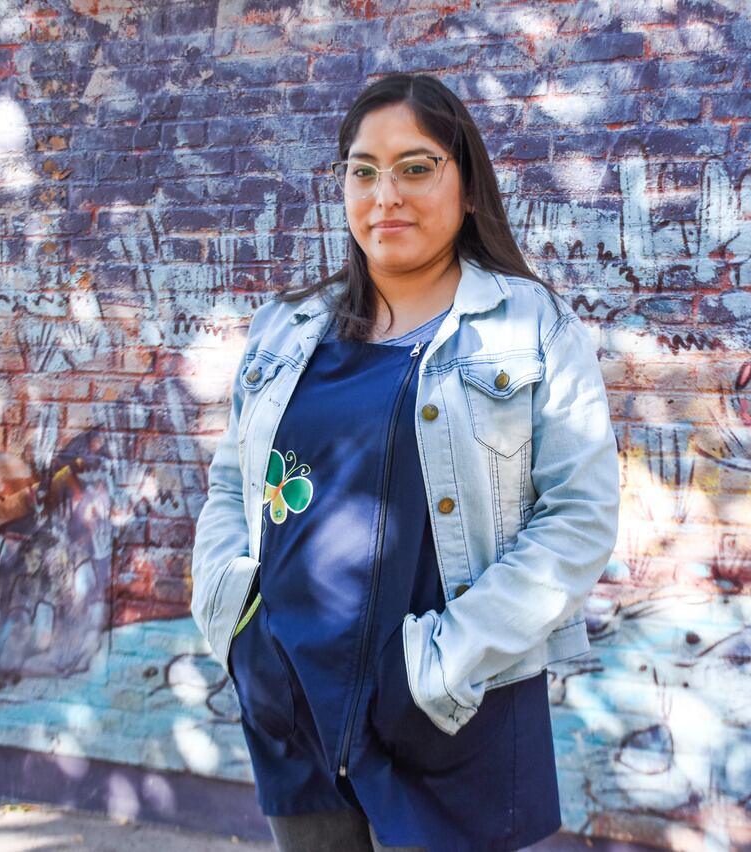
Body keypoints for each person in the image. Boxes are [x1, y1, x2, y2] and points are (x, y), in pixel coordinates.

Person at [189, 73, 620, 852]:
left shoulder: (529, 326)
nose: (385, 193)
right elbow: (231, 485)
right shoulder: (285, 328)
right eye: (363, 170)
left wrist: (449, 657)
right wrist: (236, 622)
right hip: (293, 699)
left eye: (416, 167)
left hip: (455, 701)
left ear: (467, 185)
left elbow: (579, 518)